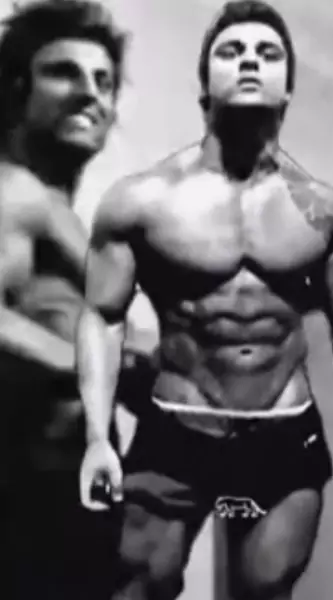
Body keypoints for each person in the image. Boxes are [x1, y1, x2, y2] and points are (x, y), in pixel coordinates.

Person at [77, 2, 333, 599]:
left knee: (265, 586)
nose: (249, 60)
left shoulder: (325, 211)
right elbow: (103, 317)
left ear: (288, 88)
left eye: (267, 53)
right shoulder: (141, 200)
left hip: (285, 438)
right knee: (141, 579)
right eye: (231, 51)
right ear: (205, 84)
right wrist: (98, 436)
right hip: (177, 428)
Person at [0, 1, 127, 598]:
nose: (89, 93)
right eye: (63, 72)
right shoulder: (14, 191)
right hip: (21, 501)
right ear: (17, 89)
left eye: (104, 81)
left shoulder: (67, 220)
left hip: (69, 506)